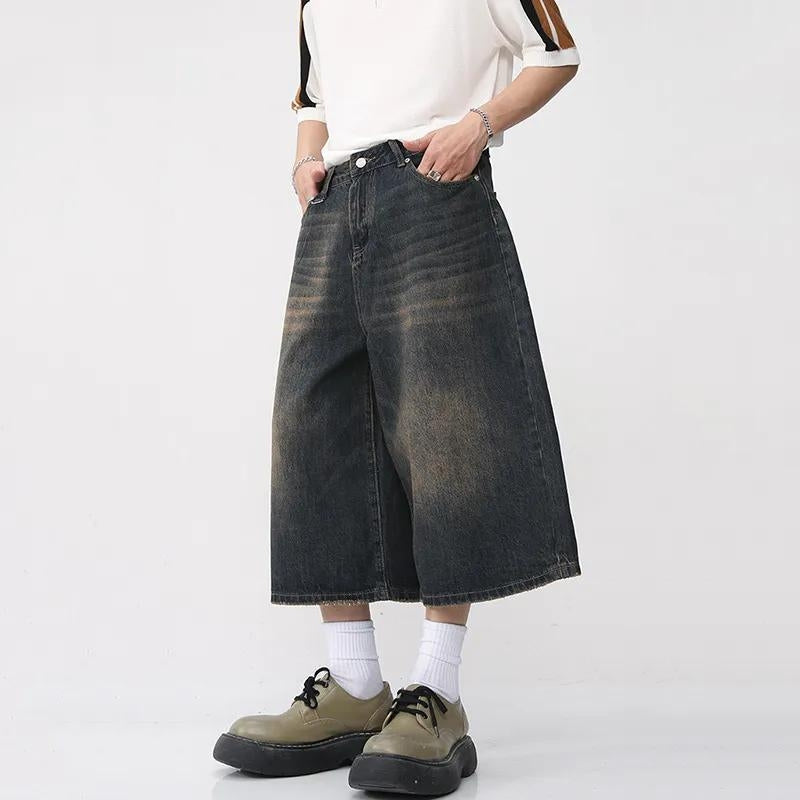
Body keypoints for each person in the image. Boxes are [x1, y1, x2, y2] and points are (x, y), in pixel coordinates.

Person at [214, 0, 582, 794]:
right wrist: (306, 161)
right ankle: (354, 686)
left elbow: (557, 55)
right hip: (334, 204)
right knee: (315, 431)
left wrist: (477, 126)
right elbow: (314, 97)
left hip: (434, 189)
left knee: (449, 429)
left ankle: (437, 692)